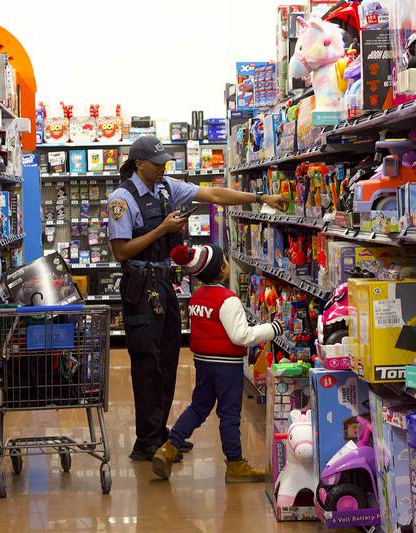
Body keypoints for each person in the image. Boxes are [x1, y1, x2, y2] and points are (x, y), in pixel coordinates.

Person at [107, 135, 287, 461]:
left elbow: (216, 193)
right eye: (157, 162)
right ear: (139, 164)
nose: (164, 166)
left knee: (168, 361)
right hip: (139, 287)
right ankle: (146, 442)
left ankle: (161, 435)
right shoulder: (122, 199)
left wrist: (263, 196)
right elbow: (120, 252)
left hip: (165, 286)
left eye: (165, 162)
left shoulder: (167, 188)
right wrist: (162, 230)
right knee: (148, 366)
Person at [152, 244, 283, 482]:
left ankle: (169, 448)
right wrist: (272, 329)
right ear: (221, 268)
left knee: (199, 407)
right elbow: (240, 336)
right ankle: (235, 464)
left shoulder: (196, 297)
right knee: (229, 414)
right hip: (227, 365)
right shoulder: (228, 299)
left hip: (203, 362)